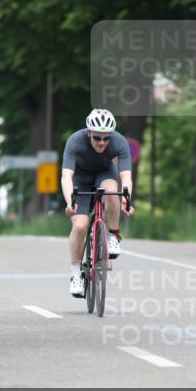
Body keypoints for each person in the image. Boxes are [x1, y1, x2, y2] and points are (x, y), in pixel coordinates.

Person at [61, 108, 135, 296]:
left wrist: (127, 200)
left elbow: (126, 177)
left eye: (106, 138)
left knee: (111, 191)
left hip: (105, 173)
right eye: (97, 138)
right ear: (89, 133)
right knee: (79, 226)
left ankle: (113, 235)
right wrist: (70, 202)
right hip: (80, 178)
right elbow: (66, 176)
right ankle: (76, 272)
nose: (102, 142)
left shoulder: (119, 142)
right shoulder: (75, 141)